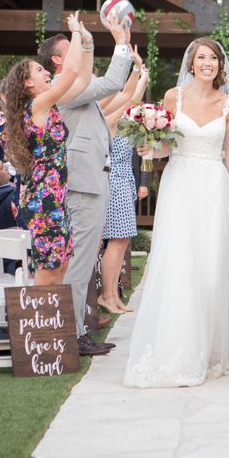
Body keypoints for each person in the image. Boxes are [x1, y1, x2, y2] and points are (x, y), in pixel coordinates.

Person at [125, 37, 229, 387]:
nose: (207, 63)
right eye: (201, 58)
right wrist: (148, 142)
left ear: (219, 66)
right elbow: (165, 147)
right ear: (191, 64)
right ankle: (178, 348)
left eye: (213, 58)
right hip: (179, 185)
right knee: (179, 267)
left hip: (213, 187)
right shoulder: (171, 97)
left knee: (211, 270)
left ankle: (210, 345)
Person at [38, 15, 132, 355]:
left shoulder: (72, 87)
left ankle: (78, 330)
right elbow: (110, 83)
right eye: (74, 49)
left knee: (84, 259)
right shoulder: (62, 88)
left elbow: (94, 76)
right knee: (79, 261)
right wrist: (120, 42)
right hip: (83, 184)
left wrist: (88, 41)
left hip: (93, 179)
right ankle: (73, 336)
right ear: (59, 60)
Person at [4, 12, 92, 285]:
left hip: (54, 198)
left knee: (61, 265)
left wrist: (86, 44)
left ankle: (52, 326)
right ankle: (39, 325)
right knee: (47, 271)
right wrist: (75, 32)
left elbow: (82, 79)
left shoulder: (47, 103)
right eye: (40, 71)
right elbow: (71, 72)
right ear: (28, 83)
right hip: (43, 201)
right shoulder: (38, 105)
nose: (46, 73)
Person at [100, 54, 150, 315]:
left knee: (122, 243)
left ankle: (114, 295)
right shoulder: (107, 122)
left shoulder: (121, 122)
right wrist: (139, 74)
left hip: (123, 182)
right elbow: (130, 99)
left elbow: (131, 98)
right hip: (114, 183)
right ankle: (107, 296)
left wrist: (140, 72)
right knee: (116, 242)